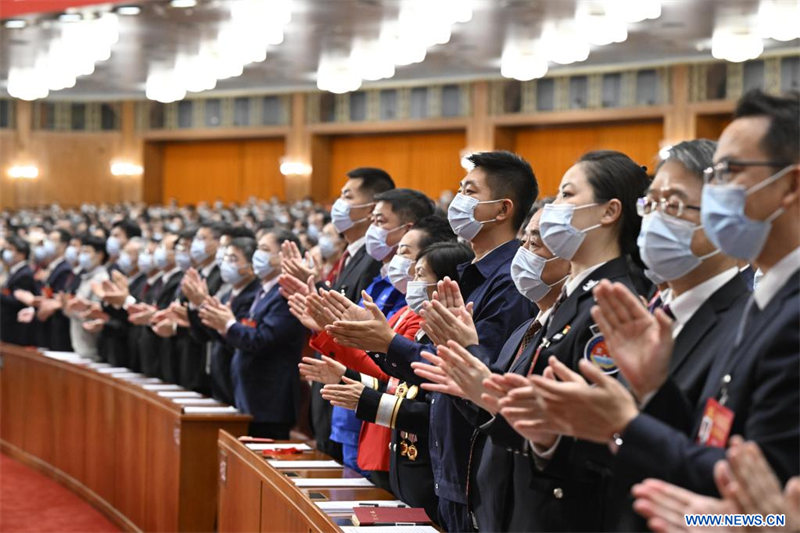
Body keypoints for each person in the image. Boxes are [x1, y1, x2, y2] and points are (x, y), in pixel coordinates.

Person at [496, 90, 800, 510]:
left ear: (791, 183)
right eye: (652, 203)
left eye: (729, 172)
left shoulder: (780, 311)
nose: (717, 194)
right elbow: (703, 446)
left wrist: (626, 424)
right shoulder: (763, 301)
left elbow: (765, 511)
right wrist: (653, 392)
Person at [376, 151, 538, 531]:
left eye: (469, 190)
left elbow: (479, 377)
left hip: (472, 467)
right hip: (447, 464)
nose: (457, 200)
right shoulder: (470, 274)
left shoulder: (511, 282)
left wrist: (387, 343)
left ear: (501, 210)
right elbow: (442, 359)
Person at [312, 241, 474, 524]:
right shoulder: (421, 328)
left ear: (447, 285)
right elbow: (399, 386)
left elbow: (434, 410)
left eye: (422, 274)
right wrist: (347, 378)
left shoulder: (450, 339)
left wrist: (367, 402)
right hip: (403, 464)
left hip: (427, 469)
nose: (413, 281)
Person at [295, 214, 452, 484]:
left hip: (396, 436)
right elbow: (383, 369)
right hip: (373, 425)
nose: (398, 261)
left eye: (406, 252)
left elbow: (395, 376)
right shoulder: (404, 309)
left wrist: (347, 347)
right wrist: (338, 355)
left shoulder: (425, 319)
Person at [280, 167, 393, 459]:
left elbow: (352, 322)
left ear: (370, 208)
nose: (338, 203)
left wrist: (317, 287)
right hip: (334, 380)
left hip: (356, 386)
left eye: (347, 195)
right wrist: (314, 287)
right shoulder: (351, 254)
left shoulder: (372, 258)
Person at [200, 229, 307, 438]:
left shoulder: (284, 293)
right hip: (250, 397)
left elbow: (263, 339)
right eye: (258, 248)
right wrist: (225, 324)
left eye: (265, 249)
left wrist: (229, 324)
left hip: (270, 400)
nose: (258, 254)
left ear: (283, 257)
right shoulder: (264, 291)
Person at [186, 236, 261, 405]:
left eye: (233, 259)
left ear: (250, 267)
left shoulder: (254, 295)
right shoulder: (228, 294)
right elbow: (204, 335)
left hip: (238, 378)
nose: (226, 263)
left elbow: (235, 340)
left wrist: (205, 306)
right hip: (219, 377)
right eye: (226, 258)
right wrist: (196, 306)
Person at [64, 234, 110, 359]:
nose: (82, 256)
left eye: (87, 252)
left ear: (99, 255)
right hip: (81, 345)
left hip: (92, 347)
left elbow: (96, 313)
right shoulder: (85, 276)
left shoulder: (102, 279)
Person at [1, 235, 37, 346]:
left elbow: (18, 300)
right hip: (8, 326)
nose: (7, 253)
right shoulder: (14, 271)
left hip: (17, 327)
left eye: (11, 249)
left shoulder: (25, 273)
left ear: (22, 254)